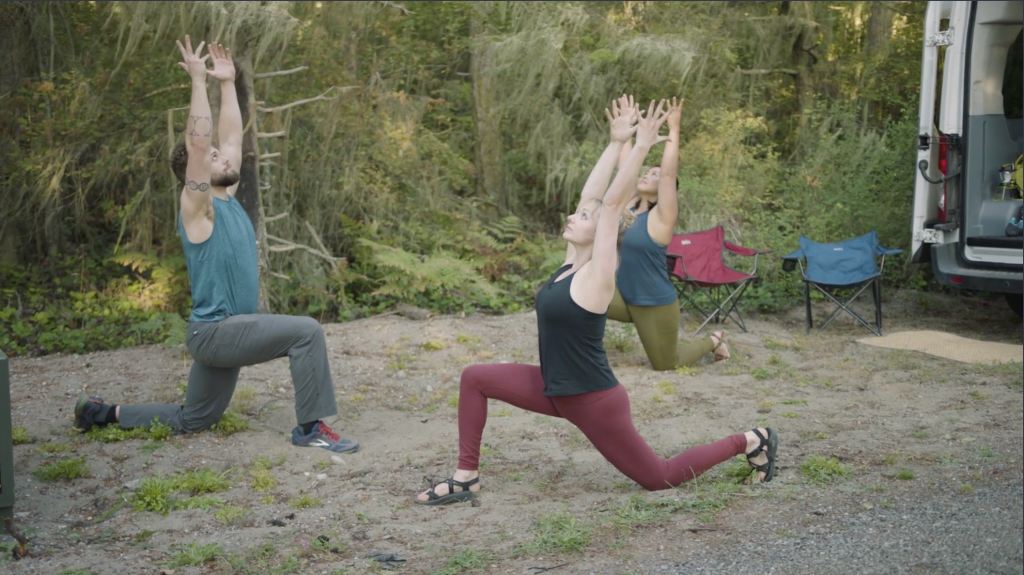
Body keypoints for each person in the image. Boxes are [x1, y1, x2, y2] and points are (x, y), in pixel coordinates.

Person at [414, 95, 778, 505]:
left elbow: (607, 205)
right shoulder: (570, 263)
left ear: (603, 231)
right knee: (475, 378)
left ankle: (751, 439)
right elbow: (593, 197)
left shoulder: (599, 275)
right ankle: (466, 477)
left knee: (660, 477)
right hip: (554, 389)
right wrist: (613, 142)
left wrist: (640, 146)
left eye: (583, 218)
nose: (574, 216)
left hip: (593, 401)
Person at [72, 36, 358, 454]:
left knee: (196, 419)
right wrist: (197, 82)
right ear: (197, 171)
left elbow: (231, 139)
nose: (225, 158)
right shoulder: (198, 209)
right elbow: (202, 144)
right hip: (216, 331)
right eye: (215, 160)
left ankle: (100, 413)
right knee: (306, 332)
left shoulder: (228, 197)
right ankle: (311, 428)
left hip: (224, 332)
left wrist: (227, 83)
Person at [610, 96, 729, 371]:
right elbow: (624, 166)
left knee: (665, 364)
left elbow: (667, 175)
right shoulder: (628, 206)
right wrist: (625, 129)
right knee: (577, 294)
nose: (648, 175)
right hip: (623, 296)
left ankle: (714, 341)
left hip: (654, 304)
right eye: (647, 172)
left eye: (654, 174)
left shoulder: (661, 218)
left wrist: (674, 129)